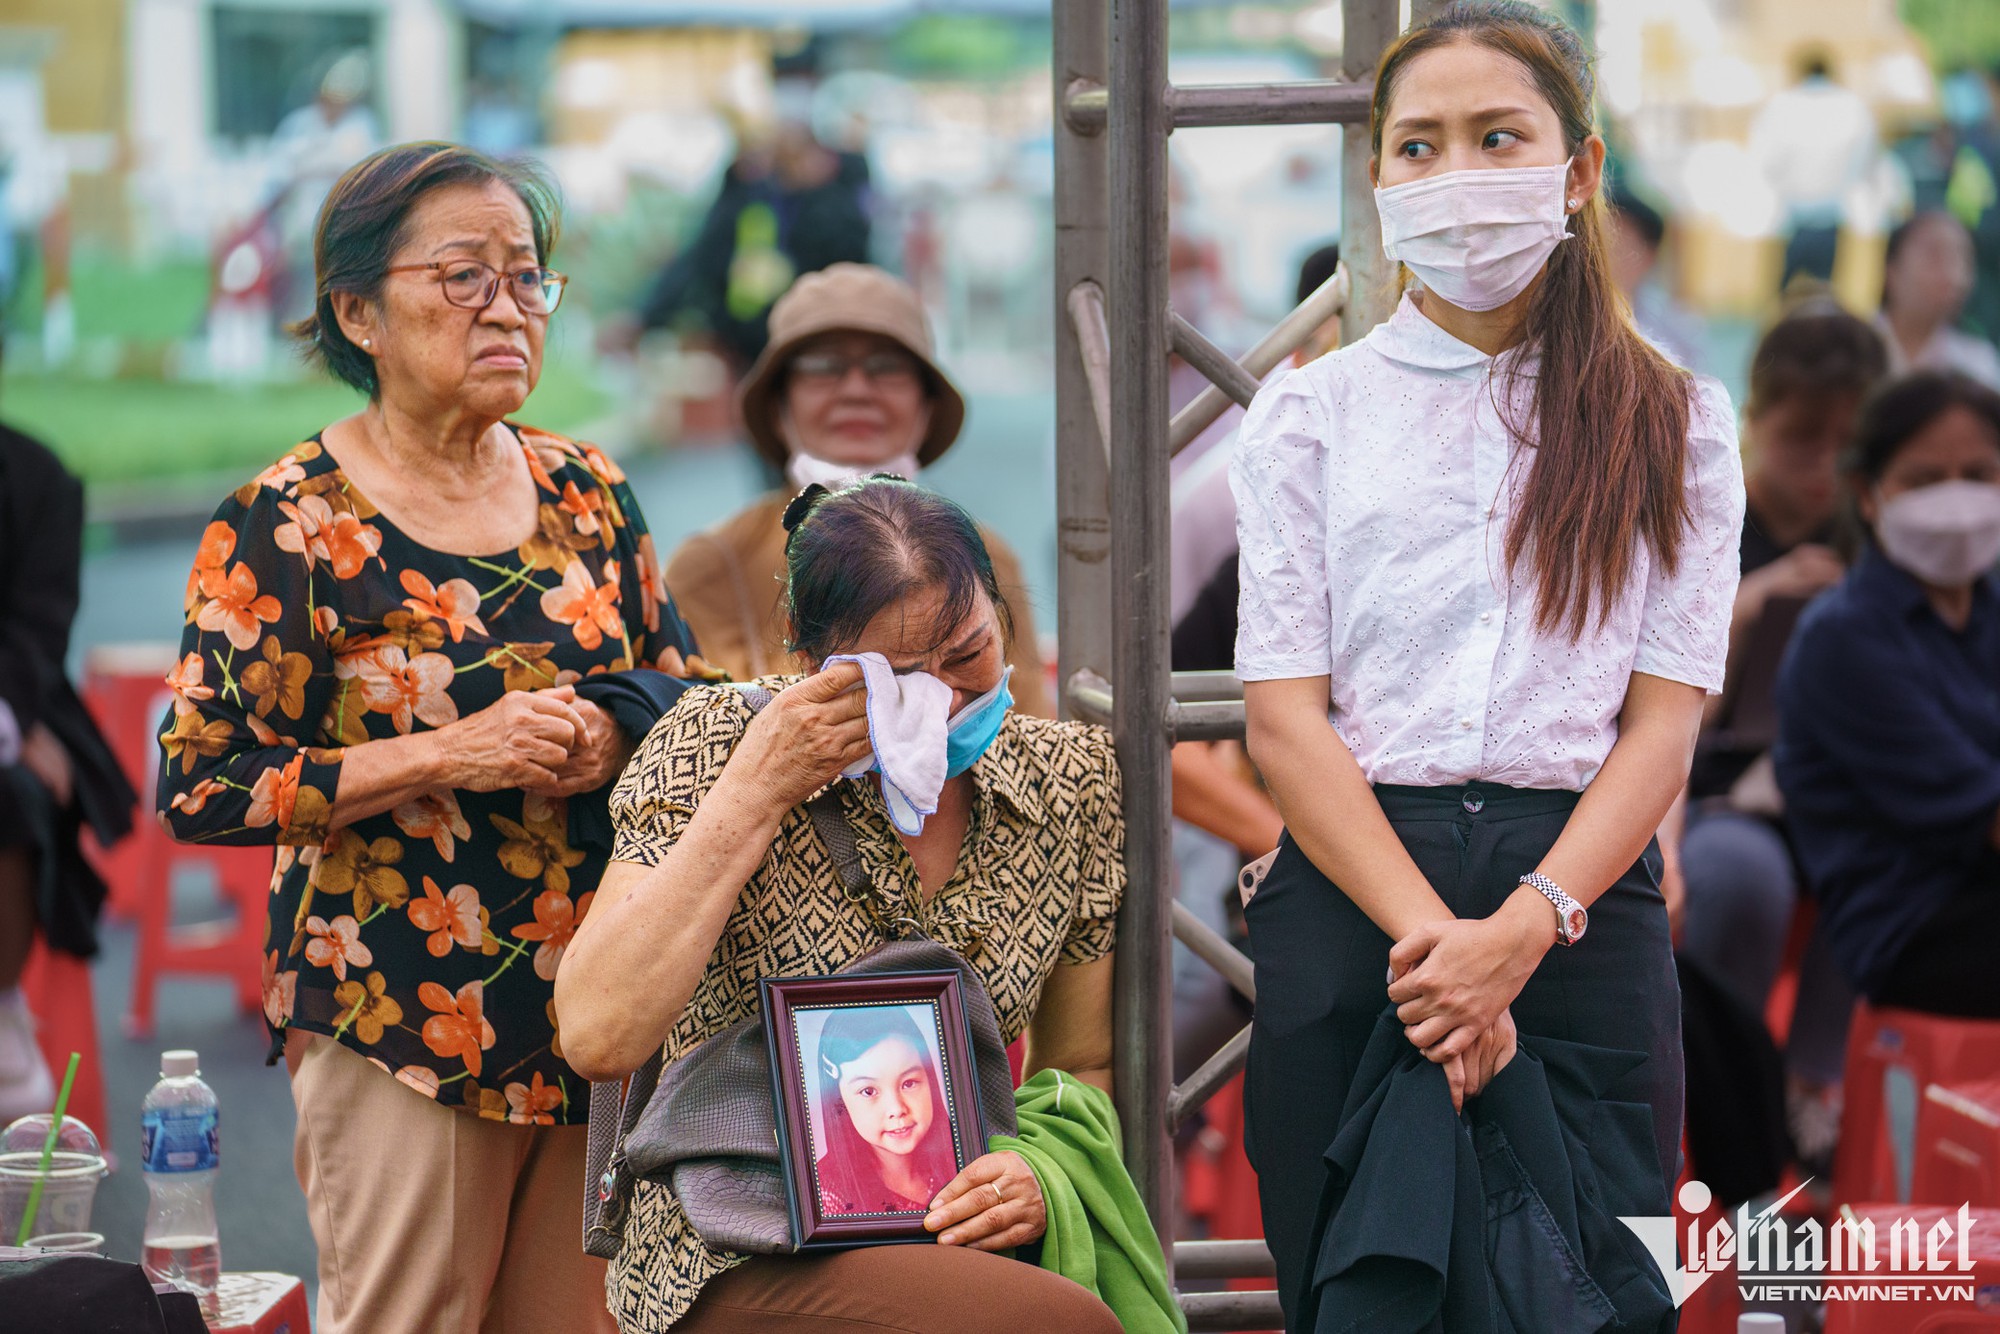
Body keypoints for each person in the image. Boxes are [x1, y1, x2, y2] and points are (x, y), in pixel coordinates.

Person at [1232, 4, 1742, 1321]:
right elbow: (1284, 719)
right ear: (1379, 180)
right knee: (1352, 1286)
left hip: (1575, 912)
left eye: (1496, 135)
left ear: (1578, 170)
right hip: (1359, 913)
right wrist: (1442, 949)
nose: (1454, 172)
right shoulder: (1309, 412)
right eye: (1418, 146)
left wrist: (1521, 930)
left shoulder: (1676, 419)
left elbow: (1663, 725)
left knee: (1600, 1286)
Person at [156, 142, 708, 1334]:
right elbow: (200, 784)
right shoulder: (286, 522)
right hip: (399, 1013)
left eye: (526, 277)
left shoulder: (589, 489)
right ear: (357, 311)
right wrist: (452, 752)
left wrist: (611, 743)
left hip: (597, 1010)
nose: (506, 307)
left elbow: (682, 698)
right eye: (463, 277)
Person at [557, 477, 1126, 1333]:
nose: (942, 701)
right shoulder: (713, 742)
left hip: (948, 1231)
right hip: (731, 1240)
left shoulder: (1072, 781)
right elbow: (598, 1034)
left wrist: (1039, 1172)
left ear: (1002, 614)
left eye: (967, 654)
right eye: (895, 682)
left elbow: (1080, 1063)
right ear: (811, 666)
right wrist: (757, 789)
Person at [1669, 304, 1886, 1179]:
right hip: (1719, 798)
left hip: (1845, 796)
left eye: (1847, 444)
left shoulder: (1876, 535)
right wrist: (1755, 604)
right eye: (1801, 441)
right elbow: (1667, 710)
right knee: (1740, 879)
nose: (1822, 470)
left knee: (1878, 863)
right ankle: (1735, 1077)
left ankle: (1816, 1087)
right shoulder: (1706, 520)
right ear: (1755, 423)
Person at [664, 263, 1051, 715]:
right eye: (823, 367)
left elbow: (1030, 739)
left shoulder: (989, 557)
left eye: (886, 368)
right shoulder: (715, 564)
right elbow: (688, 741)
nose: (856, 390)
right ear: (779, 408)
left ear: (927, 406)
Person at [1776, 370, 2000, 1018]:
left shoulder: (1989, 606)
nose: (1956, 502)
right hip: (1918, 929)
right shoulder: (1843, 639)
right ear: (1867, 494)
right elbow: (1984, 815)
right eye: (1924, 480)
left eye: (1979, 475)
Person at [0, 330, 136, 1120]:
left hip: (15, 712)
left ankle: (5, 1016)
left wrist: (12, 720)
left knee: (16, 791)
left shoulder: (38, 478)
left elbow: (34, 630)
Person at [1751, 49, 1878, 292]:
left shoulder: (1781, 105)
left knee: (1784, 292)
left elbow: (1765, 160)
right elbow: (1865, 158)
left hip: (1792, 215)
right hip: (1831, 213)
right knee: (1824, 290)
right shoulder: (1852, 106)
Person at [812, 1005, 958, 1216]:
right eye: (869, 1091)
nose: (897, 1109)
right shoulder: (826, 1196)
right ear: (838, 1099)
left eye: (909, 1083)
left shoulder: (961, 1161)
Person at [1876, 210, 2000, 387]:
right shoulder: (1850, 349)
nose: (1954, 275)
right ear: (1891, 270)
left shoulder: (1976, 363)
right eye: (1934, 255)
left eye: (1963, 259)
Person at [1606, 184, 1707, 372]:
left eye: (1620, 247)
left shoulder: (1676, 328)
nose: (1607, 258)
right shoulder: (1568, 319)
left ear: (1650, 256)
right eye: (1601, 244)